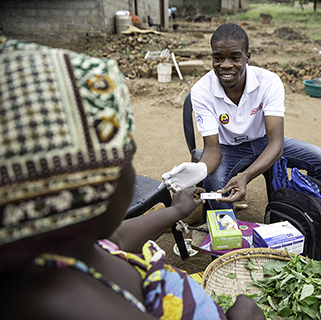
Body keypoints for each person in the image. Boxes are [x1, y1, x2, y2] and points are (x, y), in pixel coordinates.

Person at [0, 37, 265, 320]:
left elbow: (115, 238)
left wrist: (176, 210)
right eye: (127, 150)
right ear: (89, 180)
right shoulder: (69, 306)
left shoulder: (62, 244)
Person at [161, 23, 321, 210]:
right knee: (216, 188)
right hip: (227, 149)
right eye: (218, 58)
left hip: (264, 142)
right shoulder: (201, 91)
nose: (226, 65)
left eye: (235, 57)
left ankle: (307, 211)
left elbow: (276, 144)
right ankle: (228, 233)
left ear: (247, 57)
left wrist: (245, 176)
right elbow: (212, 149)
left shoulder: (269, 82)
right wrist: (201, 169)